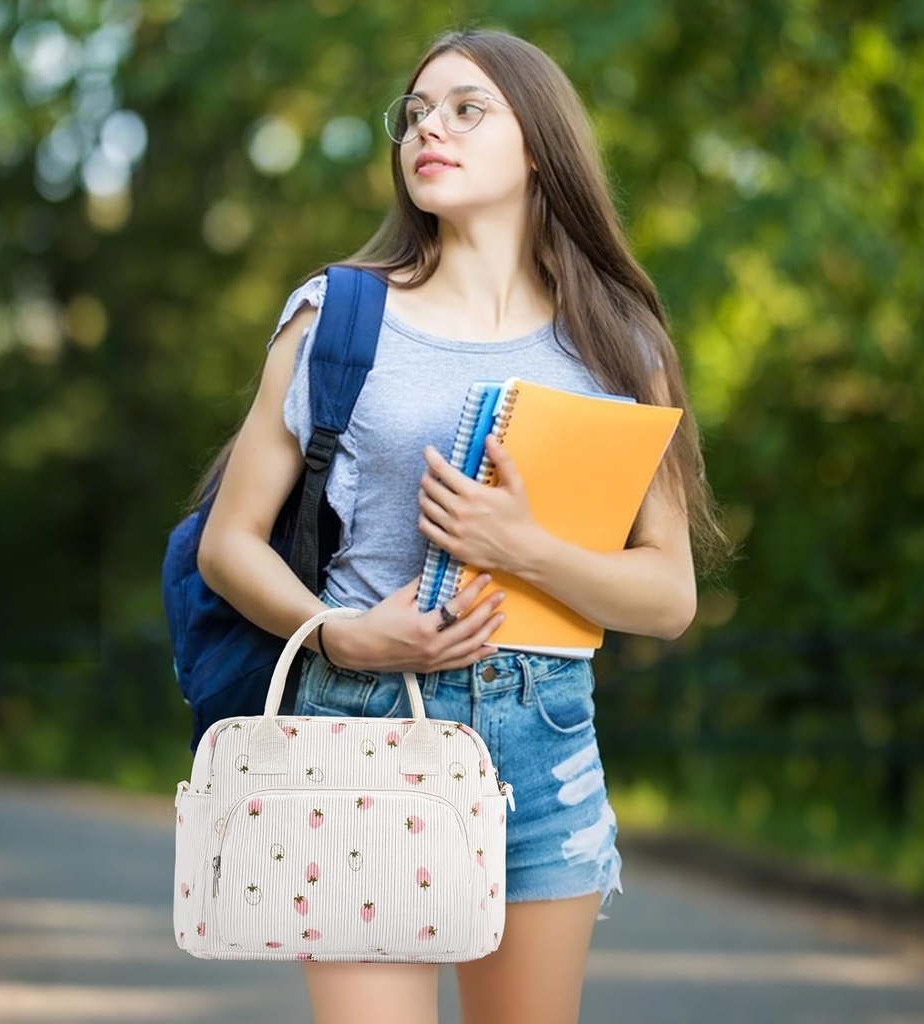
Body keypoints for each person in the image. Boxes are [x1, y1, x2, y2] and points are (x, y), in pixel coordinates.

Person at [196, 26, 724, 1024]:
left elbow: (668, 598)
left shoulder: (621, 342)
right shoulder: (335, 317)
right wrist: (342, 634)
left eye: (466, 108)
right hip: (356, 720)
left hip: (544, 734)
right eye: (416, 113)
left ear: (540, 148)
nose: (428, 128)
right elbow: (228, 544)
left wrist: (521, 547)